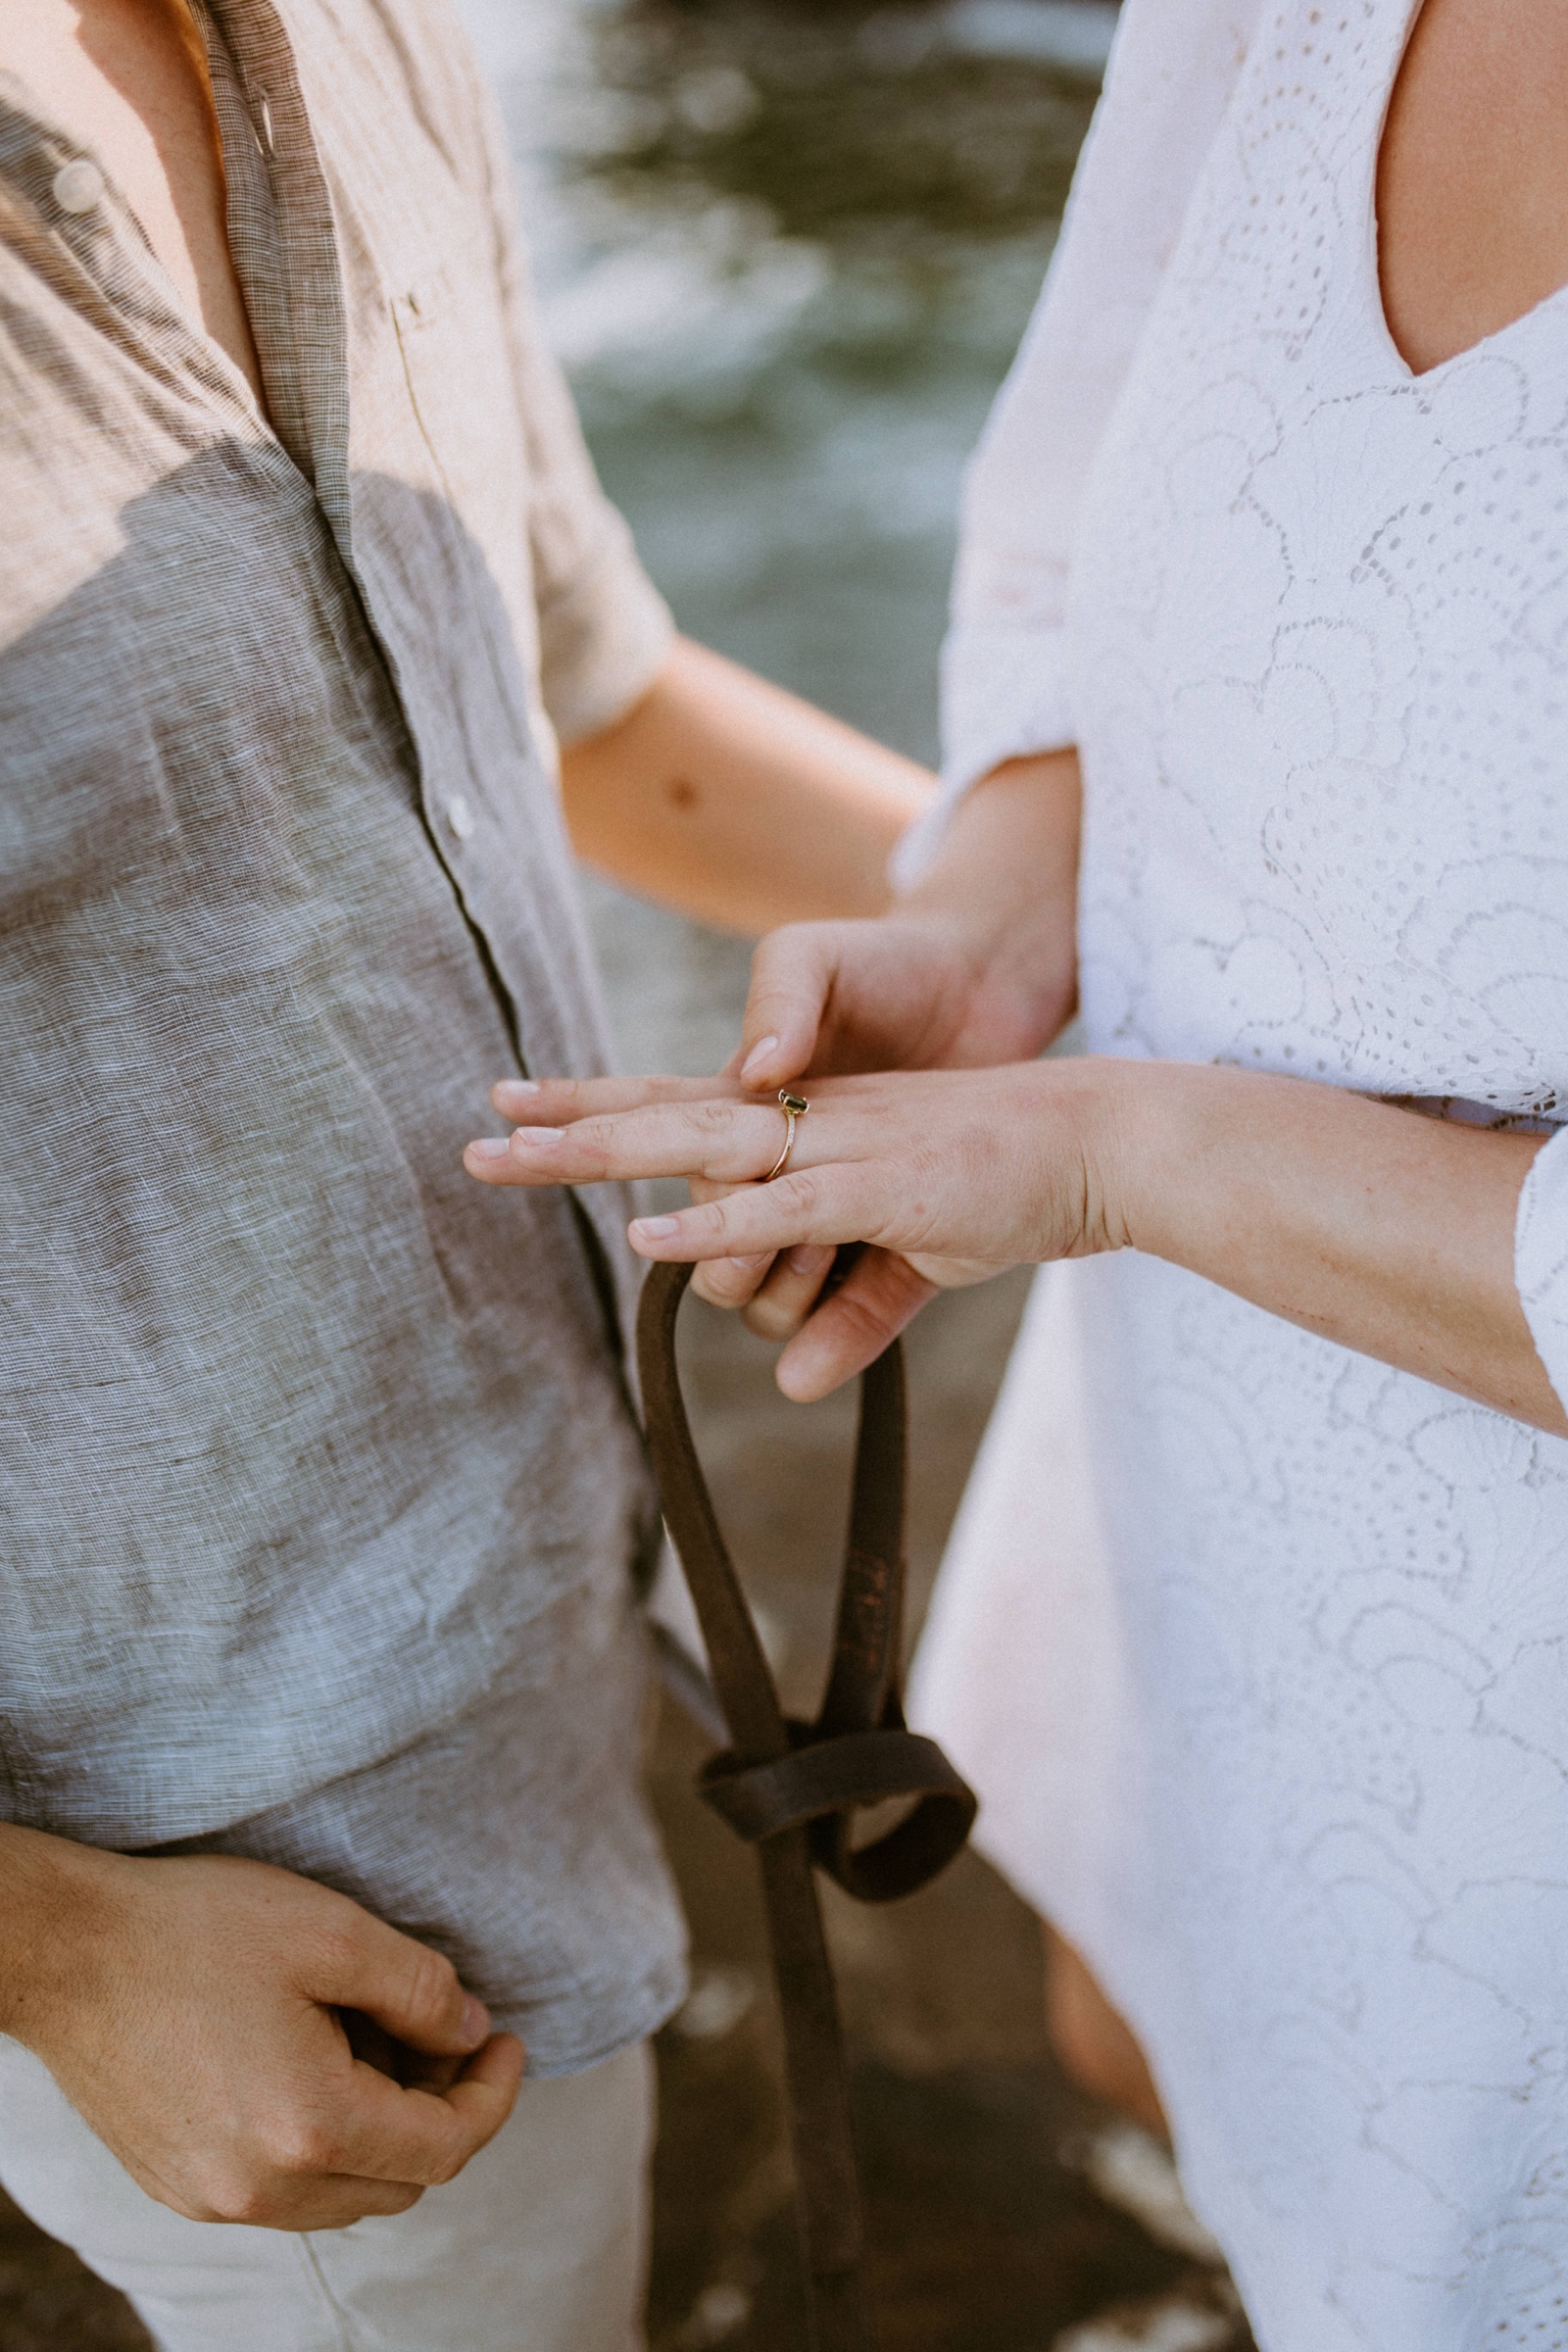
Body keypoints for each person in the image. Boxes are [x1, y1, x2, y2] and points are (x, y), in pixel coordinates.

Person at [466, 0, 1568, 2340]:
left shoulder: (1114, 1164)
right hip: (1209, 1413)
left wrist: (1113, 1150)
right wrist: (992, 922)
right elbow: (1069, 567)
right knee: (1160, 2028)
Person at [0, 2, 931, 2345]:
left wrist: (1138, 976)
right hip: (249, 1906)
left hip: (578, 1648)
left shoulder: (351, 27)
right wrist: (52, 1944)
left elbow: (587, 699)